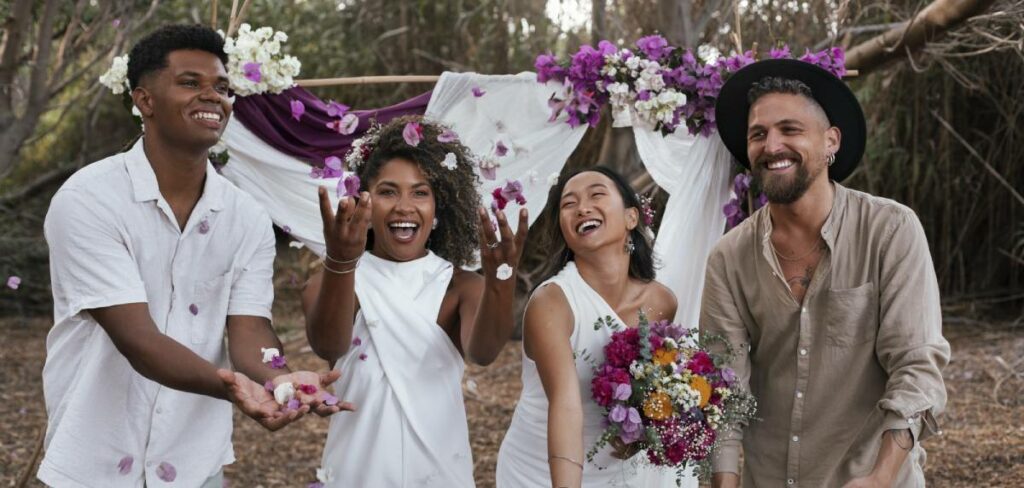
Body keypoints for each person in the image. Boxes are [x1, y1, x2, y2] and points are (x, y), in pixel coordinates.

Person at [39, 24, 349, 488]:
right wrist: (232, 386)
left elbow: (251, 329)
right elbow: (138, 339)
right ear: (144, 101)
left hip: (194, 465)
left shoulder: (245, 215)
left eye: (222, 87)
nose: (214, 97)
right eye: (191, 83)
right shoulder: (88, 199)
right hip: (92, 460)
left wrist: (279, 381)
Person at [702, 59, 950, 487]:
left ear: (831, 140)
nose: (772, 145)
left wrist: (880, 476)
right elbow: (725, 390)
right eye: (758, 134)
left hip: (872, 476)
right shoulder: (728, 257)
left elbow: (916, 365)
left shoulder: (889, 230)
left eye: (790, 129)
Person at [302, 116, 528, 487]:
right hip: (357, 468)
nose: (404, 205)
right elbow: (328, 344)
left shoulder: (460, 286)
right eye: (388, 191)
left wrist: (501, 278)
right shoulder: (331, 282)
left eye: (420, 192)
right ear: (365, 203)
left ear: (439, 210)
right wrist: (341, 261)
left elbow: (483, 352)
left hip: (438, 469)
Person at [496, 166, 689, 488]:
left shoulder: (661, 302)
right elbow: (566, 402)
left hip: (624, 474)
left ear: (631, 218)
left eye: (597, 194)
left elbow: (655, 395)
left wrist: (644, 435)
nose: (582, 207)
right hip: (542, 471)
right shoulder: (552, 303)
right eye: (568, 204)